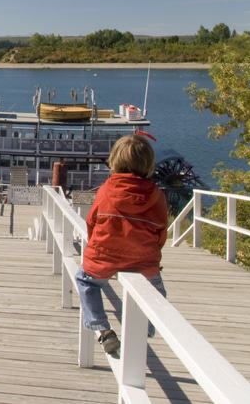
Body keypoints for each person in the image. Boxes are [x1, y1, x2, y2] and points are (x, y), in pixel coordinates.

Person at [75, 134, 168, 358]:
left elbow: (92, 222)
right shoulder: (156, 196)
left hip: (104, 254)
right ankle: (143, 329)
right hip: (143, 258)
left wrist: (95, 251)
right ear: (148, 163)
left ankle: (102, 329)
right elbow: (161, 231)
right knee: (156, 295)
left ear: (114, 161)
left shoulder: (106, 190)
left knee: (85, 281)